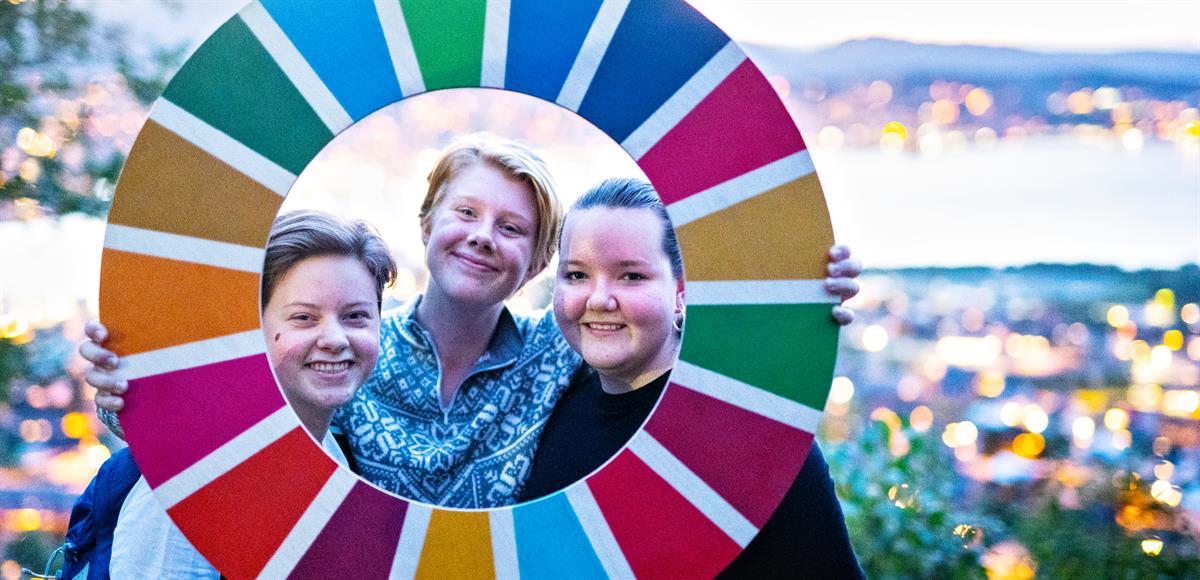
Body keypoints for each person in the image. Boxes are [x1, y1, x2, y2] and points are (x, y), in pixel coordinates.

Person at [82, 132, 861, 508]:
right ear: (427, 223)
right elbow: (231, 417)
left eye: (514, 228)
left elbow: (662, 320)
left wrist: (803, 288)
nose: (484, 236)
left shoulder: (561, 348)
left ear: (537, 263)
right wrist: (130, 387)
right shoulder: (348, 346)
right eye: (466, 212)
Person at [518, 178, 864, 578]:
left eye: (631, 276)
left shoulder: (752, 437)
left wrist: (802, 293)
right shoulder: (544, 399)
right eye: (577, 275)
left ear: (681, 290)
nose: (599, 299)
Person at [67, 210, 396, 578]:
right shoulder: (195, 491)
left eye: (356, 316)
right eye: (304, 317)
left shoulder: (338, 458)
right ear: (251, 330)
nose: (335, 339)